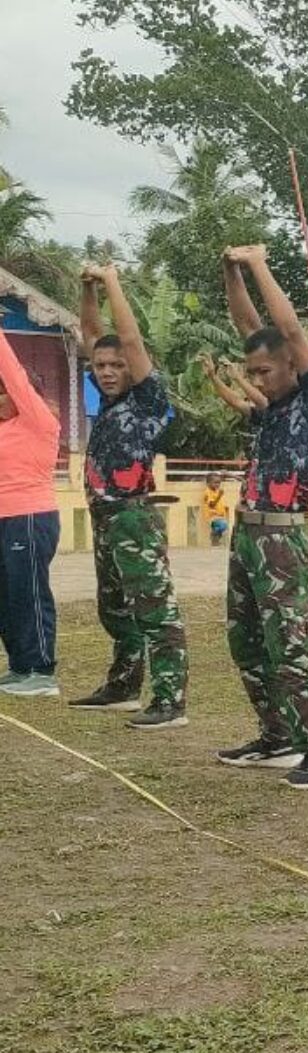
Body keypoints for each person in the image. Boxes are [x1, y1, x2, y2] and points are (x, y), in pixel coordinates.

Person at [207, 244, 308, 785]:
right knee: (246, 640)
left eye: (265, 371)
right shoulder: (274, 406)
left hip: (283, 539)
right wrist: (230, 271)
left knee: (290, 645)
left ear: (293, 361)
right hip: (247, 533)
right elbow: (248, 323)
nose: (256, 381)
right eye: (251, 373)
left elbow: (285, 326)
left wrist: (258, 263)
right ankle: (277, 737)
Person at [67, 262, 189, 727]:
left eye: (118, 366)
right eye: (100, 366)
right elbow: (93, 331)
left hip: (134, 515)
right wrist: (86, 288)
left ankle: (169, 699)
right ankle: (123, 685)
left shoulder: (148, 400)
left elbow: (129, 341)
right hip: (105, 515)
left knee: (155, 609)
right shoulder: (112, 403)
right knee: (114, 606)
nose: (108, 371)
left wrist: (111, 280)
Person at [0, 330, 61, 698]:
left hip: (30, 516)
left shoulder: (38, 422)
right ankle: (20, 666)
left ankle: (41, 670)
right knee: (6, 595)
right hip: (4, 520)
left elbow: (13, 372)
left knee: (29, 592)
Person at [203, 473, 231, 547]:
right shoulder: (207, 492)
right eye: (215, 482)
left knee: (222, 527)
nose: (217, 485)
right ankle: (214, 537)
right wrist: (219, 496)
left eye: (219, 483)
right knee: (223, 526)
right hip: (212, 516)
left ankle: (215, 541)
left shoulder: (217, 491)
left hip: (220, 515)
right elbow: (212, 505)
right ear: (208, 483)